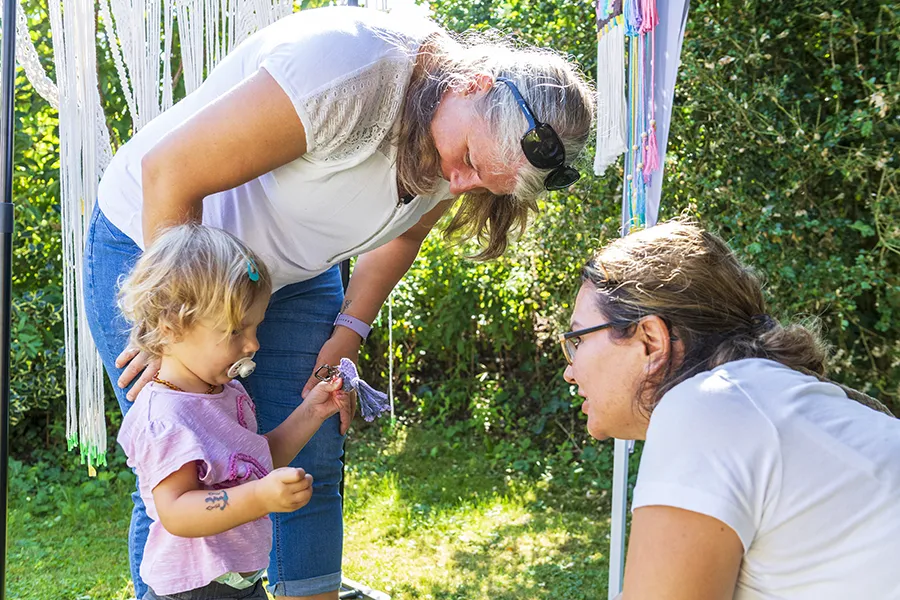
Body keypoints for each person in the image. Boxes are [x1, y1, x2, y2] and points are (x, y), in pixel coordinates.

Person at [82, 5, 595, 599]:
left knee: (310, 464)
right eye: (471, 164)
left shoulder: (467, 138)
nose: (460, 187)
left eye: (483, 183)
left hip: (287, 274)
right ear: (475, 86)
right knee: (186, 466)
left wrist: (348, 331)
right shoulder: (347, 71)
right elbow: (170, 171)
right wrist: (170, 323)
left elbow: (404, 233)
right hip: (163, 245)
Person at [561, 220, 900, 599]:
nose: (569, 371)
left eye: (577, 340)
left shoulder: (707, 407)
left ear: (651, 341)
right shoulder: (765, 399)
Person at [116, 224, 350, 600]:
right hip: (193, 591)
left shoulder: (224, 393)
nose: (253, 343)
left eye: (255, 327)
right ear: (172, 327)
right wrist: (259, 498)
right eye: (235, 331)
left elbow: (255, 460)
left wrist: (311, 412)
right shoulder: (164, 416)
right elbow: (176, 510)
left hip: (242, 585)